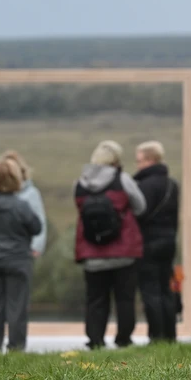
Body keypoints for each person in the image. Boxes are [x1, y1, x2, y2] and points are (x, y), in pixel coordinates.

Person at [74, 140, 147, 349]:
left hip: (91, 251)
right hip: (124, 251)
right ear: (116, 159)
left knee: (95, 299)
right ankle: (123, 339)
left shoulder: (80, 183)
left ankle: (95, 340)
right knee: (125, 299)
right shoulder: (122, 179)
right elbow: (141, 206)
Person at [0, 154, 42, 353]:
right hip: (17, 260)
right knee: (16, 306)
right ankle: (16, 347)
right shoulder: (20, 205)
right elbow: (36, 227)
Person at [132, 140, 180, 344]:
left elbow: (139, 215)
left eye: (140, 160)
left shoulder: (144, 185)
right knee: (165, 289)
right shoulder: (172, 184)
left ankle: (156, 336)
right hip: (168, 242)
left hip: (148, 242)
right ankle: (170, 335)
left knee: (150, 291)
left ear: (151, 159)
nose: (138, 165)